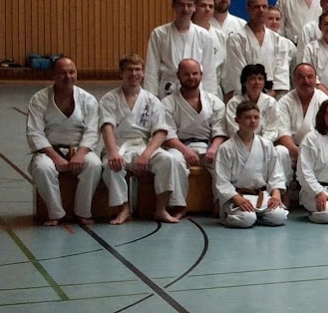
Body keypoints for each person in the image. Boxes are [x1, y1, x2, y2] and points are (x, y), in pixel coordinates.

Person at [99, 55, 182, 224]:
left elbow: (160, 132)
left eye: (137, 69)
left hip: (143, 146)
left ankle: (161, 209)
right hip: (118, 145)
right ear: (121, 73)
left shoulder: (152, 100)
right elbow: (106, 127)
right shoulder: (109, 99)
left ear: (143, 73)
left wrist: (146, 155)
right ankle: (124, 209)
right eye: (129, 70)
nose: (134, 73)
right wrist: (113, 153)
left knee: (168, 160)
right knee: (110, 166)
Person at [27, 57, 106, 226]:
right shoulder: (39, 99)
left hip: (79, 149)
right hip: (49, 149)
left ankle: (83, 211)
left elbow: (92, 131)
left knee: (94, 165)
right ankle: (55, 213)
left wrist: (80, 154)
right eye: (63, 73)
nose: (68, 76)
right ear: (53, 75)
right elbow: (35, 132)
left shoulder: (88, 99)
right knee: (42, 168)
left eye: (72, 72)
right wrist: (55, 157)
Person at [212, 102, 289, 228]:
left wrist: (276, 194)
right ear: (237, 120)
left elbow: (275, 173)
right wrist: (237, 198)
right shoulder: (226, 148)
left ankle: (257, 216)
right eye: (247, 117)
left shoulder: (266, 145)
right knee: (247, 218)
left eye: (256, 117)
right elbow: (221, 181)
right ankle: (230, 217)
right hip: (237, 197)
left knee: (279, 217)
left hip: (261, 195)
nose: (252, 121)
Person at [161, 60, 227, 191]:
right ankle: (178, 206)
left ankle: (220, 203)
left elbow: (220, 130)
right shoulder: (167, 103)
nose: (191, 77)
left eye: (195, 73)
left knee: (223, 160)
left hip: (208, 146)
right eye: (186, 74)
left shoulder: (214, 102)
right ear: (178, 75)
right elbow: (167, 134)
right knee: (173, 160)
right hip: (179, 147)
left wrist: (213, 149)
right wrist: (186, 151)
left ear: (201, 75)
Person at [146, 0, 223, 97]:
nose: (185, 9)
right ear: (173, 6)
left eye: (189, 5)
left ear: (194, 7)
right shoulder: (159, 34)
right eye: (181, 5)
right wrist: (150, 98)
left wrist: (211, 98)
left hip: (196, 92)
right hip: (169, 90)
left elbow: (209, 71)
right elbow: (151, 70)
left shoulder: (204, 35)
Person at [223, 0, 281, 98]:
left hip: (272, 96)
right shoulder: (236, 39)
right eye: (256, 7)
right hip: (246, 95)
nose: (261, 10)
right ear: (248, 9)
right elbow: (238, 72)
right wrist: (253, 96)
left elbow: (281, 71)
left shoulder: (276, 39)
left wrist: (269, 96)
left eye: (264, 7)